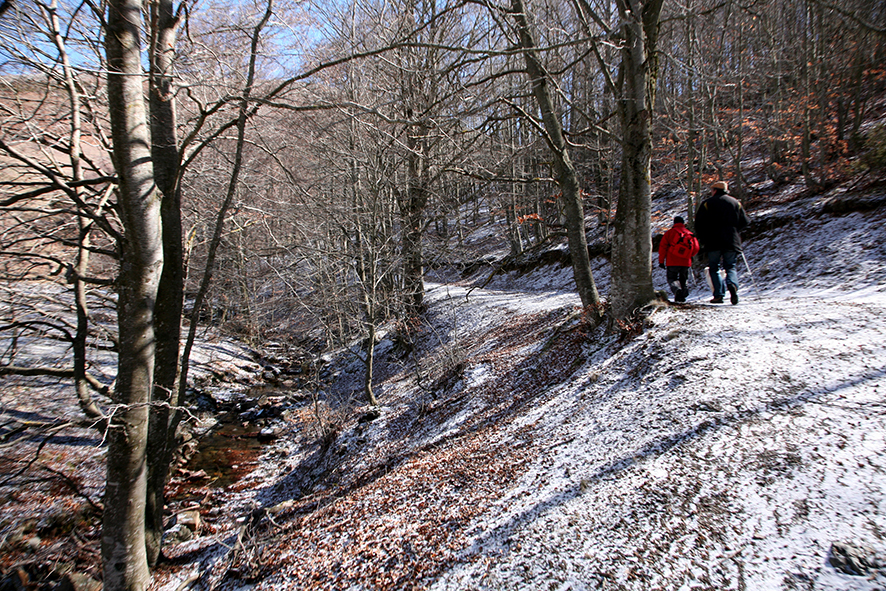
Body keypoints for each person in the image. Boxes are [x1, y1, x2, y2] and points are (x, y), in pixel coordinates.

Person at [694, 180, 750, 304]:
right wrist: (735, 231)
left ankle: (718, 295)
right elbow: (745, 221)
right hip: (731, 240)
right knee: (730, 266)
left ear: (715, 191)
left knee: (714, 268)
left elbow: (699, 223)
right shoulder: (736, 202)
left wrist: (703, 238)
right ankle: (732, 284)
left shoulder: (707, 203)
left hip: (713, 241)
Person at [658, 215, 699, 303]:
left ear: (674, 223)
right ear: (683, 223)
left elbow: (662, 247)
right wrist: (689, 255)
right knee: (684, 278)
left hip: (672, 261)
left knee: (672, 278)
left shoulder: (669, 233)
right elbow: (696, 248)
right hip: (685, 261)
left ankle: (677, 290)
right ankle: (682, 295)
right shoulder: (689, 233)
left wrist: (661, 261)